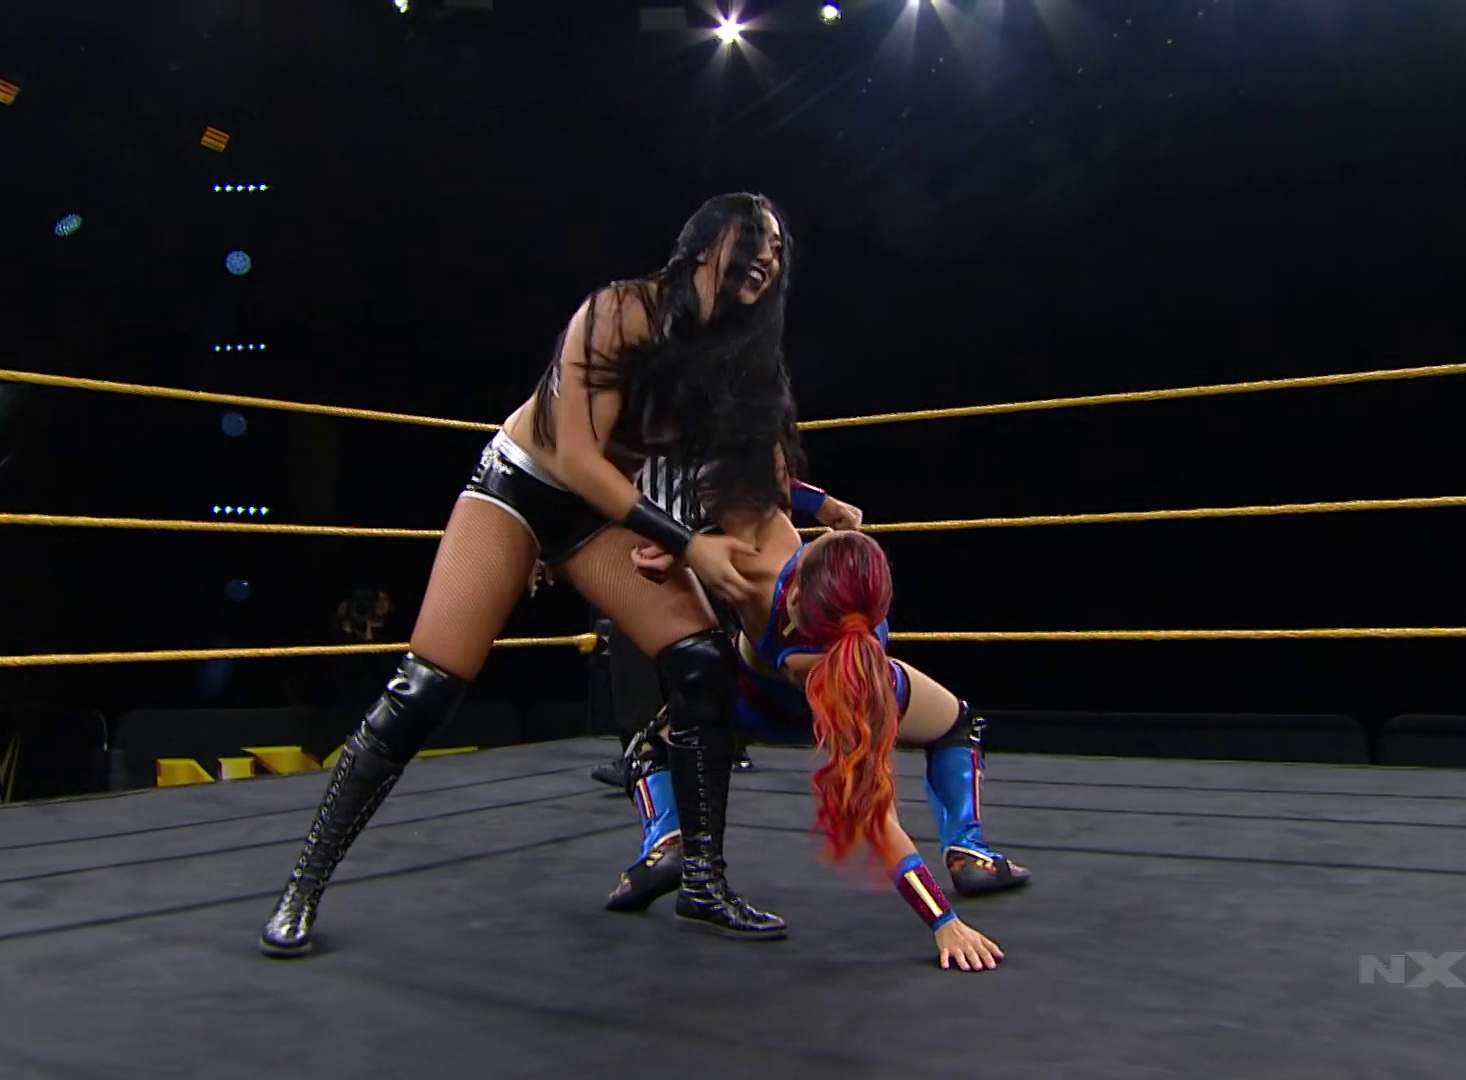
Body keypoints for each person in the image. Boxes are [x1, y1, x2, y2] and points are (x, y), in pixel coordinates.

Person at [260, 192, 807, 956]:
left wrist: (696, 537)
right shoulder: (621, 311)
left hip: (599, 517)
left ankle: (702, 882)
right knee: (426, 689)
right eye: (756, 237)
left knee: (702, 661)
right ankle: (303, 885)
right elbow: (577, 457)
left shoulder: (732, 353)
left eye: (779, 247)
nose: (769, 255)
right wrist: (683, 542)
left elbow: (729, 472)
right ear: (709, 243)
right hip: (520, 490)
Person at [603, 483, 1026, 971]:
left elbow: (753, 486)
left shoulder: (762, 569)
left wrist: (683, 547)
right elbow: (880, 823)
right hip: (847, 692)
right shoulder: (863, 664)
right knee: (957, 724)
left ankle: (667, 842)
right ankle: (968, 850)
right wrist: (942, 921)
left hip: (745, 705)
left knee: (651, 749)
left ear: (798, 589)